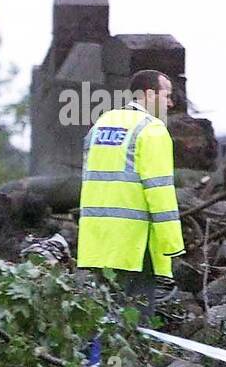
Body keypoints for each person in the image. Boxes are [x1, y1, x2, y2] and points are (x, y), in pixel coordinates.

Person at [77, 68, 185, 323]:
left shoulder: (100, 125)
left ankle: (95, 363)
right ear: (149, 94)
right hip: (133, 246)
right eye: (167, 95)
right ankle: (128, 363)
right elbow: (160, 194)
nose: (170, 104)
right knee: (135, 324)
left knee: (102, 317)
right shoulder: (152, 130)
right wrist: (172, 247)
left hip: (97, 243)